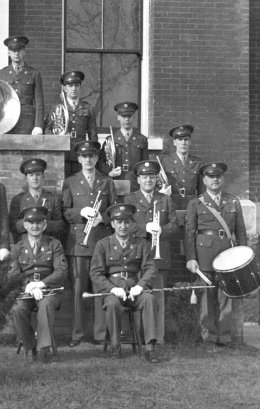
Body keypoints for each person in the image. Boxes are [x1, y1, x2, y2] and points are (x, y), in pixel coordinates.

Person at [185, 162, 247, 346]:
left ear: (223, 179)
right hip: (204, 253)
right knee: (206, 295)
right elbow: (189, 233)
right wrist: (191, 258)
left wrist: (243, 256)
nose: (215, 180)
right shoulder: (195, 203)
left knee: (226, 293)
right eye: (211, 177)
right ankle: (209, 336)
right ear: (204, 180)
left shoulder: (232, 201)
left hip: (228, 252)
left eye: (218, 176)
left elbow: (241, 231)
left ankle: (225, 335)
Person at [62, 141, 117, 347]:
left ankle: (100, 334)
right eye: (84, 156)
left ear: (96, 158)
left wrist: (102, 218)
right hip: (78, 243)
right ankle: (77, 334)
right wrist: (80, 213)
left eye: (92, 156)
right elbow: (65, 211)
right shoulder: (70, 182)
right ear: (79, 159)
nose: (88, 160)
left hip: (100, 242)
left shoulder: (106, 182)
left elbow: (114, 211)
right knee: (77, 291)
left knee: (99, 289)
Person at [90, 203, 160, 362]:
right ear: (112, 223)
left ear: (132, 224)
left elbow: (151, 269)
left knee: (149, 299)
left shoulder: (141, 243)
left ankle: (150, 348)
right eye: (119, 222)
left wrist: (140, 286)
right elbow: (95, 272)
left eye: (127, 222)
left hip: (134, 290)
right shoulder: (103, 244)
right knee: (113, 304)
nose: (123, 226)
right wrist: (111, 288)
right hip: (113, 291)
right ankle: (116, 346)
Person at [124, 160, 178, 344]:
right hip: (137, 256)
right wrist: (145, 227)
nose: (148, 180)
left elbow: (175, 226)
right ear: (138, 179)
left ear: (157, 179)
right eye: (144, 177)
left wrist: (161, 229)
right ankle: (139, 338)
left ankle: (158, 338)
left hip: (159, 254)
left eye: (152, 177)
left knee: (158, 298)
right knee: (139, 296)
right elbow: (125, 226)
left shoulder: (165, 199)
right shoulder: (129, 200)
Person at [9, 206, 67, 362]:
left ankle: (43, 349)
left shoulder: (54, 244)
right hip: (25, 291)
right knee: (17, 308)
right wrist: (28, 284)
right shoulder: (17, 247)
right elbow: (13, 274)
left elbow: (61, 271)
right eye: (31, 222)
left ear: (45, 225)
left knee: (46, 304)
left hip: (49, 290)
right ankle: (30, 346)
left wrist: (40, 284)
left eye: (39, 222)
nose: (35, 226)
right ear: (25, 225)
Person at [0, 36, 44, 135]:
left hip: (27, 122)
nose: (16, 53)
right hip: (6, 120)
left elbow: (39, 102)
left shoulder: (34, 73)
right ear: (9, 53)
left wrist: (38, 125)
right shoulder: (1, 74)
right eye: (13, 51)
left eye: (19, 50)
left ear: (24, 52)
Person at [8, 158, 64, 244]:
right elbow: (12, 225)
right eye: (31, 175)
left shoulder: (53, 199)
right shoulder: (18, 200)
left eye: (38, 174)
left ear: (43, 177)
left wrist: (42, 224)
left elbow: (60, 225)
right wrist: (29, 223)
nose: (35, 178)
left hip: (47, 245)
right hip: (25, 245)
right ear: (26, 178)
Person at [98, 102, 148, 192]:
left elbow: (144, 163)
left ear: (133, 117)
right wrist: (109, 173)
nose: (127, 119)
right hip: (116, 181)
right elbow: (101, 162)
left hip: (134, 183)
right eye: (124, 116)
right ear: (118, 117)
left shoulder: (142, 139)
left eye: (129, 116)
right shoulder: (111, 139)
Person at [45, 70, 97, 142]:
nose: (74, 89)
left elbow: (93, 134)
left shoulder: (88, 108)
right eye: (70, 86)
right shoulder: (57, 108)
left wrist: (93, 151)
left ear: (80, 87)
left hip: (80, 148)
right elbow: (47, 130)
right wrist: (55, 142)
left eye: (76, 85)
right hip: (62, 147)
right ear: (65, 89)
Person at [160, 125, 203, 210]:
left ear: (189, 141)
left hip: (191, 206)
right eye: (180, 140)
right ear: (174, 142)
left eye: (186, 139)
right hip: (172, 206)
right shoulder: (165, 162)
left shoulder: (198, 163)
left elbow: (202, 190)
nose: (183, 143)